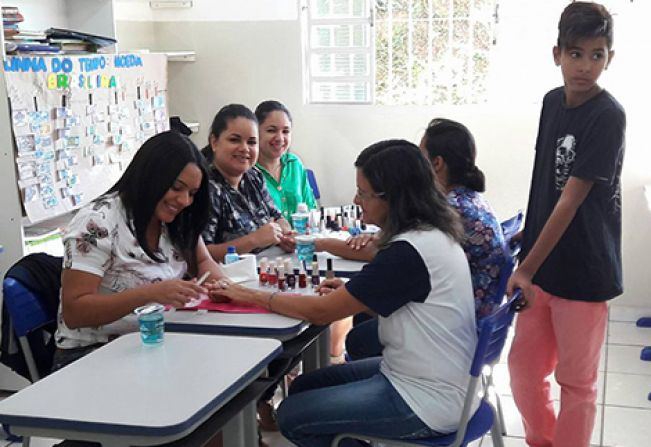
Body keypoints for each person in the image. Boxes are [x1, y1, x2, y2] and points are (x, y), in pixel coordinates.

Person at [212, 140, 478, 447]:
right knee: (303, 387)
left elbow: (322, 313)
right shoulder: (428, 234)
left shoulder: (408, 251)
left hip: (425, 399)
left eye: (364, 193)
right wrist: (352, 293)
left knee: (292, 415)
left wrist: (249, 295)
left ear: (393, 198)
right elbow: (412, 301)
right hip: (429, 376)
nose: (356, 200)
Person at [506, 3, 625, 447]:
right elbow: (546, 178)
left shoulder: (608, 115)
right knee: (522, 370)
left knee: (577, 384)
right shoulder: (552, 102)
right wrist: (528, 230)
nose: (586, 66)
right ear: (557, 54)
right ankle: (543, 440)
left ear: (610, 58)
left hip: (585, 270)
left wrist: (525, 268)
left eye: (598, 54)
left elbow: (572, 199)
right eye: (576, 54)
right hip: (542, 264)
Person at [54, 131, 226, 370]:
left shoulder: (176, 219)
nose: (185, 200)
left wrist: (223, 288)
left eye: (192, 193)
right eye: (177, 188)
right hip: (92, 355)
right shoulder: (97, 222)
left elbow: (205, 263)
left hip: (153, 343)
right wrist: (151, 294)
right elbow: (75, 313)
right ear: (151, 177)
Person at [345, 118, 507, 360]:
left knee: (360, 333)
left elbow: (393, 255)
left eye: (419, 157)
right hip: (464, 319)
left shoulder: (452, 210)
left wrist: (318, 243)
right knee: (364, 312)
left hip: (450, 333)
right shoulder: (466, 200)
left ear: (437, 163)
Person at [201, 104, 294, 262]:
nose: (245, 149)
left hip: (268, 265)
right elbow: (200, 256)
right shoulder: (206, 187)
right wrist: (254, 240)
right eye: (234, 140)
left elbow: (278, 217)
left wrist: (282, 234)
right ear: (214, 142)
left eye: (252, 142)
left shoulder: (254, 176)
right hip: (229, 277)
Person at [254, 100, 317, 221]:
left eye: (285, 131)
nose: (280, 138)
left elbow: (311, 208)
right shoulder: (248, 171)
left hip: (301, 238)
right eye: (271, 130)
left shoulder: (294, 164)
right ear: (256, 132)